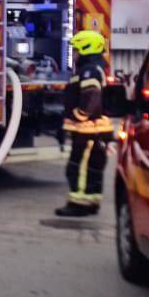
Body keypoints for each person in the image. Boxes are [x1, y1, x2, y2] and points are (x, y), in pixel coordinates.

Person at [56, 30, 114, 217]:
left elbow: (91, 95)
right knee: (93, 168)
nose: (74, 54)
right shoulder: (95, 68)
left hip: (87, 131)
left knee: (78, 168)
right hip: (96, 131)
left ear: (86, 49)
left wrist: (79, 114)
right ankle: (91, 201)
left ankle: (78, 204)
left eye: (76, 50)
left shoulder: (88, 71)